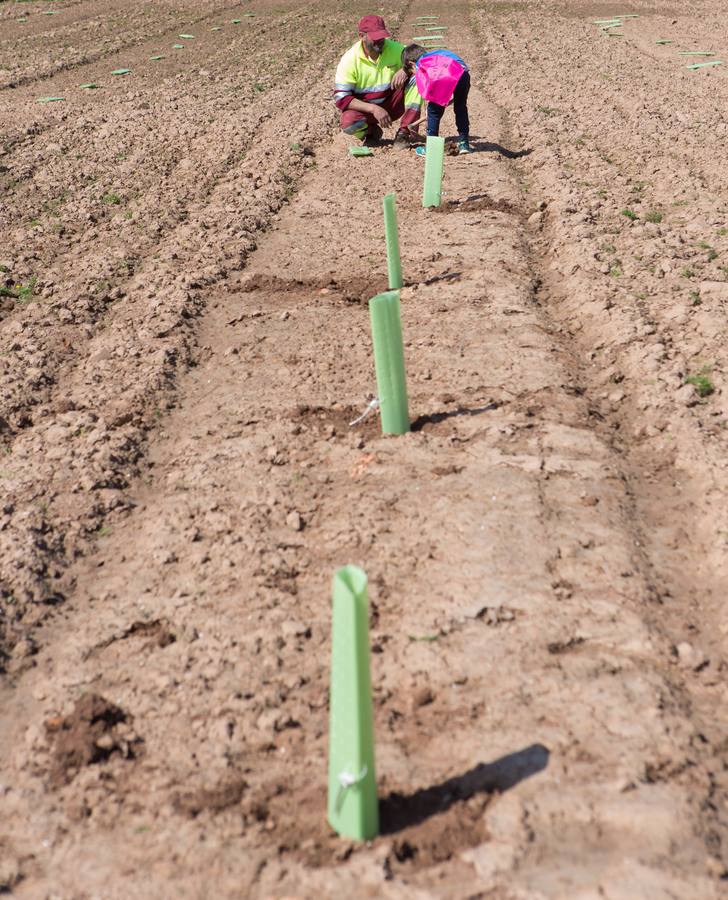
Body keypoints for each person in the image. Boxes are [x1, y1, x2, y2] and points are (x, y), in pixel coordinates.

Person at [334, 16, 422, 148]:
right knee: (348, 123)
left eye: (382, 37)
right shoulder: (349, 60)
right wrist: (374, 109)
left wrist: (406, 69)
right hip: (367, 111)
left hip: (393, 105)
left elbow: (422, 61)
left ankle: (405, 133)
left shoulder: (397, 49)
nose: (380, 41)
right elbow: (341, 98)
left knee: (417, 77)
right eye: (375, 38)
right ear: (361, 36)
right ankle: (370, 133)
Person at [401, 44, 472, 154]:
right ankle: (464, 143)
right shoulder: (437, 54)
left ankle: (431, 147)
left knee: (433, 111)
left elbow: (426, 88)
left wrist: (432, 103)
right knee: (460, 108)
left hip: (444, 76)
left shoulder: (422, 63)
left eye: (412, 73)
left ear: (411, 64)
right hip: (463, 73)